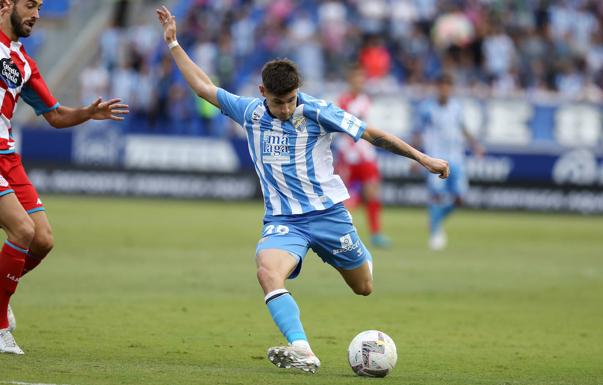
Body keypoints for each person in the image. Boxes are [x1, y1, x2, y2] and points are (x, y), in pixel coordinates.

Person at [156, 6, 448, 374]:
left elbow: (372, 134)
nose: (286, 108)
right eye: (278, 102)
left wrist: (424, 159)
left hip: (328, 215)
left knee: (364, 286)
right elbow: (202, 86)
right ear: (263, 92)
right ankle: (303, 349)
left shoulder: (317, 111)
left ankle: (350, 251)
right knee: (267, 272)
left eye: (292, 99)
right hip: (283, 221)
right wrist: (174, 43)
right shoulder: (250, 112)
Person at [0, 0, 129, 355]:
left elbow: (55, 115)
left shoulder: (23, 63)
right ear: (6, 4)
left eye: (41, 8)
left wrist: (88, 112)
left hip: (8, 157)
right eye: (30, 5)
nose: (36, 14)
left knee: (41, 239)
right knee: (22, 231)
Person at [413, 74, 484, 251]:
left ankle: (435, 220)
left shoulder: (457, 108)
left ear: (451, 89)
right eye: (441, 86)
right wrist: (414, 157)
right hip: (435, 159)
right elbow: (418, 133)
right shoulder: (427, 109)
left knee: (460, 198)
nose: (444, 89)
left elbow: (463, 128)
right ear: (437, 88)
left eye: (447, 86)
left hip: (456, 159)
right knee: (436, 196)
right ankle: (436, 233)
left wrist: (475, 146)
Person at [334, 65, 390, 248]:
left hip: (366, 155)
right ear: (350, 80)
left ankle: (376, 233)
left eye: (362, 78)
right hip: (348, 157)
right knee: (341, 199)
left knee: (372, 192)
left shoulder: (367, 101)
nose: (359, 82)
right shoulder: (342, 101)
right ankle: (338, 234)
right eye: (356, 78)